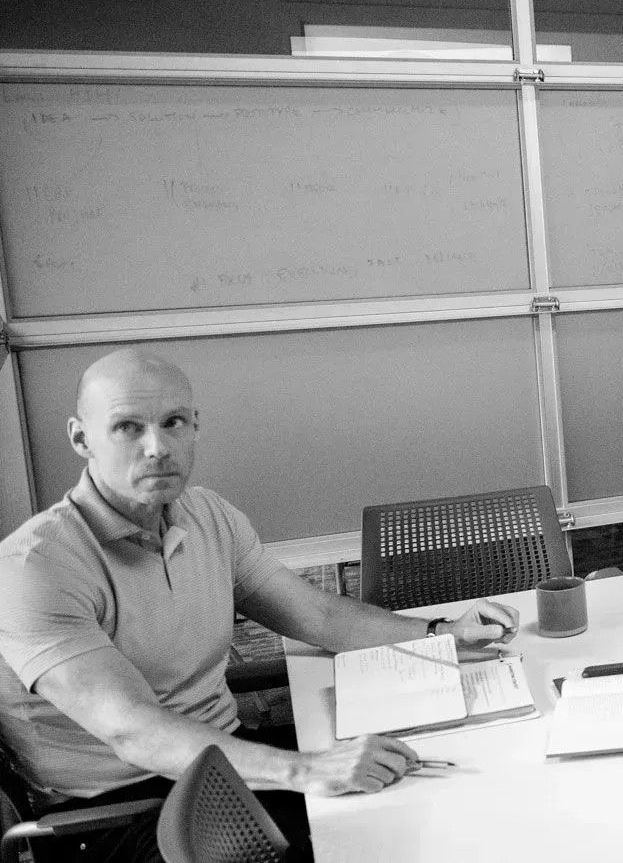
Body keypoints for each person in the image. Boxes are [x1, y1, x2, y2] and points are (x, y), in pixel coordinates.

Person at [0, 349, 522, 862]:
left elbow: (317, 616)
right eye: (127, 428)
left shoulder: (209, 515)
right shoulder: (35, 566)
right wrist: (307, 769)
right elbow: (132, 728)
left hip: (230, 759)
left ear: (195, 426)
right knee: (389, 839)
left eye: (174, 422)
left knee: (443, 796)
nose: (157, 446)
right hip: (123, 811)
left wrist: (439, 632)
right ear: (80, 438)